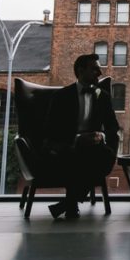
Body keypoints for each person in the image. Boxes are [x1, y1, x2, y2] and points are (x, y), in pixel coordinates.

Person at [41, 53, 121, 220]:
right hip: (68, 146)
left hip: (95, 147)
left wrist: (102, 135)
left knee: (105, 155)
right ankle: (70, 204)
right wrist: (76, 139)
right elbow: (50, 130)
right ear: (80, 71)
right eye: (94, 69)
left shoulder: (103, 97)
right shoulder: (61, 97)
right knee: (76, 156)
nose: (99, 73)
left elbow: (113, 127)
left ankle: (68, 203)